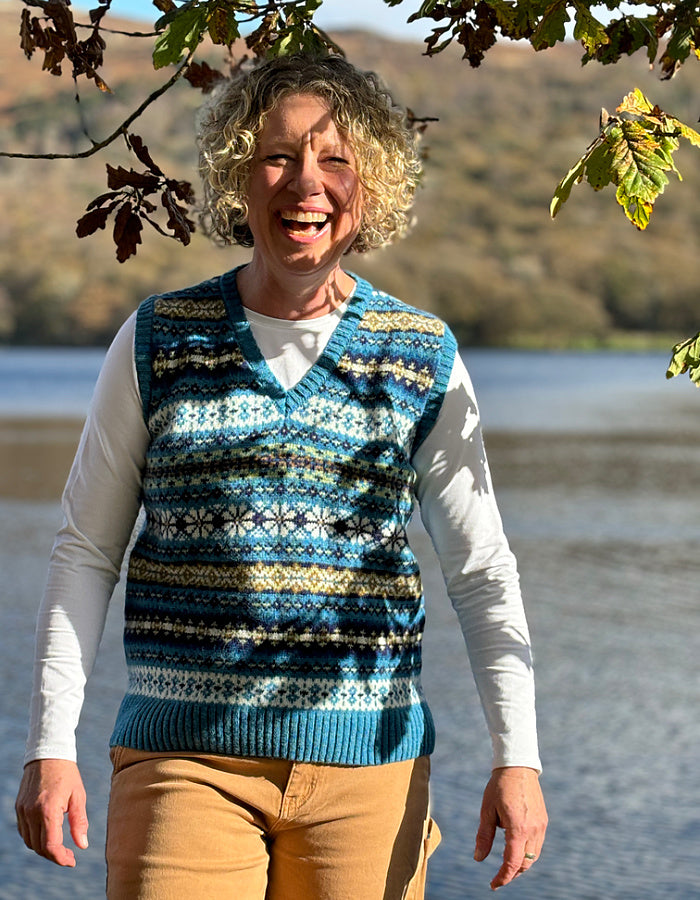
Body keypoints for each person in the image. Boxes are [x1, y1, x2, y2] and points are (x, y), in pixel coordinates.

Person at [15, 53, 547, 898]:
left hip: (369, 769)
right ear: (236, 174)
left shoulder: (420, 356)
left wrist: (517, 760)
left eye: (336, 158)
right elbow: (84, 555)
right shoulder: (159, 340)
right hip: (184, 764)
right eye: (278, 155)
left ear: (371, 185)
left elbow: (481, 572)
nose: (307, 182)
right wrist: (49, 747)